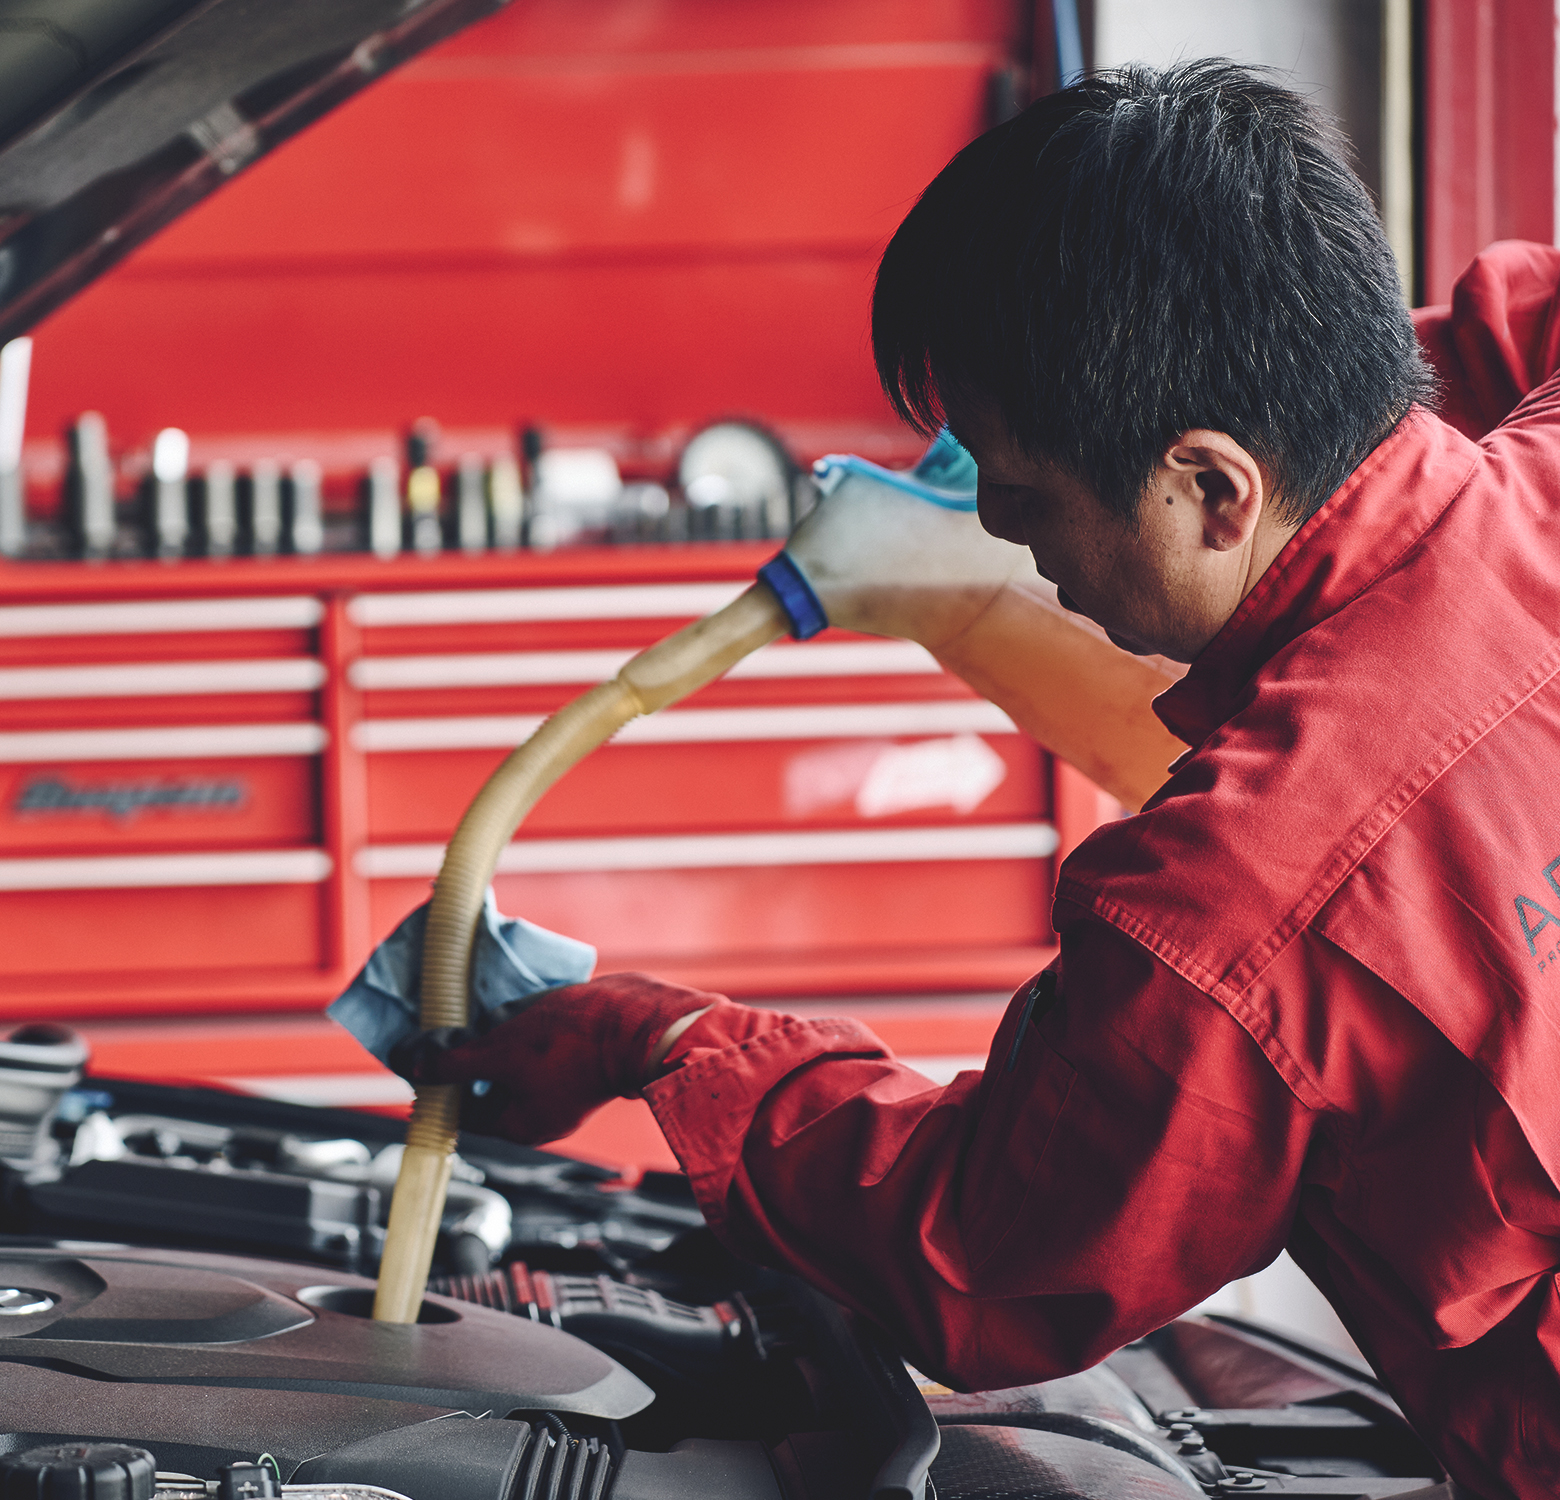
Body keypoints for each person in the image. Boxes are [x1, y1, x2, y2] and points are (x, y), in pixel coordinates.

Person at [397, 61, 1560, 1496]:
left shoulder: (1230, 909)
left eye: (1019, 491)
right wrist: (1316, 378)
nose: (1004, 539)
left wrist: (667, 1040)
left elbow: (991, 1254)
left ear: (1212, 490)